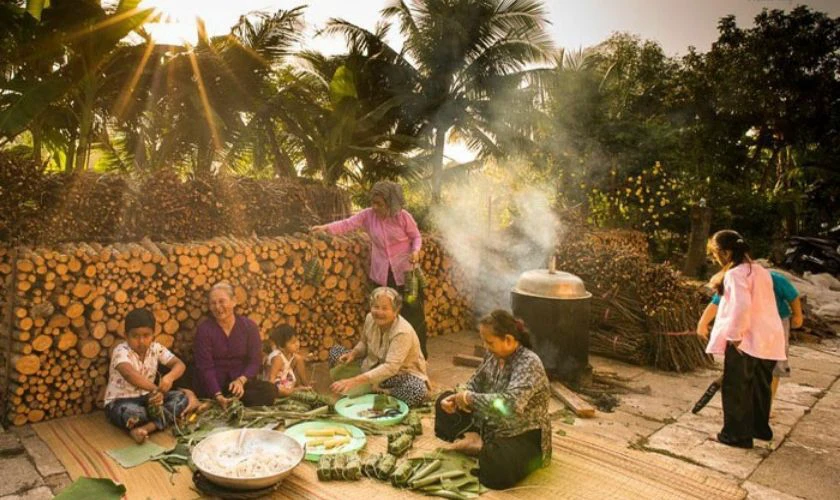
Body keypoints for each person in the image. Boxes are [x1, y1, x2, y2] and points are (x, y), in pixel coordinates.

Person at [434, 310, 551, 490]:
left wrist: (469, 399)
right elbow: (475, 382)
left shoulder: (529, 363)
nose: (486, 346)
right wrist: (459, 397)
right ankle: (478, 440)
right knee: (442, 402)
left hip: (521, 434)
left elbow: (510, 405)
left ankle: (481, 447)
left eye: (489, 342)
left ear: (509, 340)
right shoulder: (492, 355)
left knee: (497, 464)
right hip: (488, 423)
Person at [312, 181, 428, 358]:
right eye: (373, 202)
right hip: (382, 275)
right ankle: (389, 358)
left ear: (391, 203)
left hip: (407, 274)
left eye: (379, 204)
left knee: (414, 316)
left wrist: (415, 251)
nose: (375, 207)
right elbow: (347, 224)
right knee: (386, 317)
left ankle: (419, 357)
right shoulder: (368, 215)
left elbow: (416, 237)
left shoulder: (403, 217)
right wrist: (326, 228)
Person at [701, 230, 786, 449]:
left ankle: (736, 435)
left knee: (737, 387)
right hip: (768, 337)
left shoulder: (736, 274)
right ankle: (759, 428)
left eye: (716, 254)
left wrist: (735, 336)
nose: (715, 259)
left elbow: (742, 305)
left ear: (726, 253)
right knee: (760, 386)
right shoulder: (761, 271)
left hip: (746, 338)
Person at [693, 270, 803, 413]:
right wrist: (703, 323)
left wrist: (798, 316)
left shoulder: (774, 279)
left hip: (777, 322)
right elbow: (717, 301)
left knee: (775, 364)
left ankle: (765, 407)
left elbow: (793, 296)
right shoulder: (736, 279)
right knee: (743, 363)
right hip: (747, 322)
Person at [328, 287, 429, 407]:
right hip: (371, 367)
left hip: (396, 375)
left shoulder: (402, 332)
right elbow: (364, 343)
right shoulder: (370, 318)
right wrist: (353, 354)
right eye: (376, 307)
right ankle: (369, 389)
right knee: (335, 352)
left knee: (417, 389)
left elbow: (390, 368)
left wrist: (354, 381)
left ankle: (381, 393)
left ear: (396, 311)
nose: (379, 312)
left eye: (385, 308)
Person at [104, 308, 189, 443]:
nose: (141, 341)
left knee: (182, 398)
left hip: (148, 399)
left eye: (146, 335)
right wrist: (156, 390)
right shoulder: (120, 351)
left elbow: (179, 364)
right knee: (134, 414)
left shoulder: (156, 348)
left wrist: (170, 377)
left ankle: (147, 428)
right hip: (121, 402)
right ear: (126, 336)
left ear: (153, 335)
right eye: (135, 336)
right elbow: (129, 374)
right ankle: (160, 420)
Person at [194, 282, 278, 408]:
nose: (218, 307)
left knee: (270, 390)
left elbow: (255, 361)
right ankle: (220, 401)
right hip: (214, 385)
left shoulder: (249, 327)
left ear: (234, 301)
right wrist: (217, 394)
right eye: (213, 303)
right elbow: (205, 367)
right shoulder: (204, 330)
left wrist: (241, 380)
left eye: (222, 301)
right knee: (197, 383)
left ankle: (228, 403)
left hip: (241, 385)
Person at [262, 324, 310, 396]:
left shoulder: (290, 354)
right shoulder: (278, 358)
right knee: (283, 390)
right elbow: (271, 380)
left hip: (285, 381)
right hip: (275, 387)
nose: (297, 344)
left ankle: (306, 386)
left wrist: (307, 385)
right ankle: (296, 390)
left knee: (299, 359)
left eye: (297, 340)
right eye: (293, 342)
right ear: (281, 346)